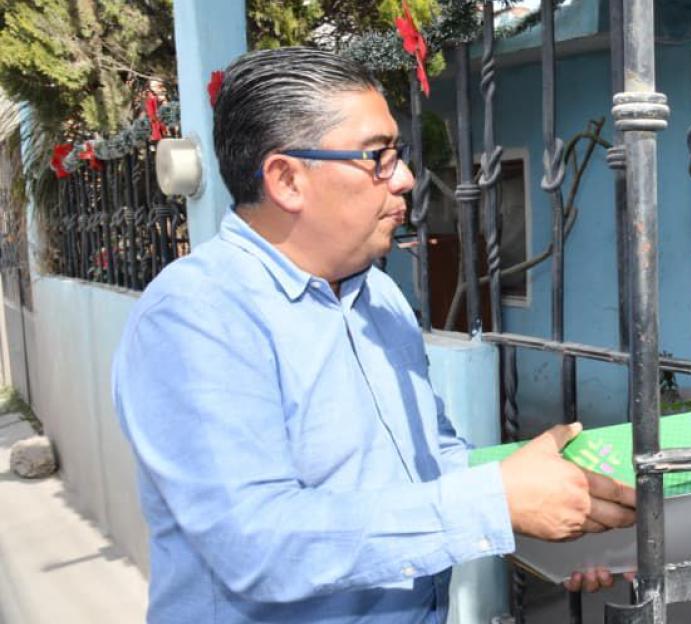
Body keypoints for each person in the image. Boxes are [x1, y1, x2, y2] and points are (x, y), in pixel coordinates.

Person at [111, 47, 635, 623]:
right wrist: (493, 502)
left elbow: (432, 462)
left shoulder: (377, 297)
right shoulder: (196, 317)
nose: (406, 178)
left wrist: (552, 521)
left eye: (398, 153)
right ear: (287, 179)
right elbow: (257, 544)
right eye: (377, 157)